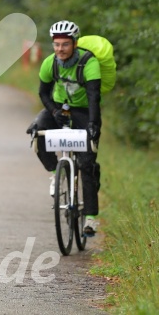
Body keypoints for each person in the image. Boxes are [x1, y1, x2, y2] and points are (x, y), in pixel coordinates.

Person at [29, 20, 101, 237]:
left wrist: (93, 124)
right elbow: (43, 93)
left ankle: (91, 217)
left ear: (75, 44)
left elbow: (94, 96)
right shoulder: (50, 63)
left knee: (86, 163)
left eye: (65, 45)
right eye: (57, 44)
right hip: (59, 108)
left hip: (84, 110)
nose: (60, 49)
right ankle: (55, 173)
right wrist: (53, 112)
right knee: (37, 132)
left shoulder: (89, 63)